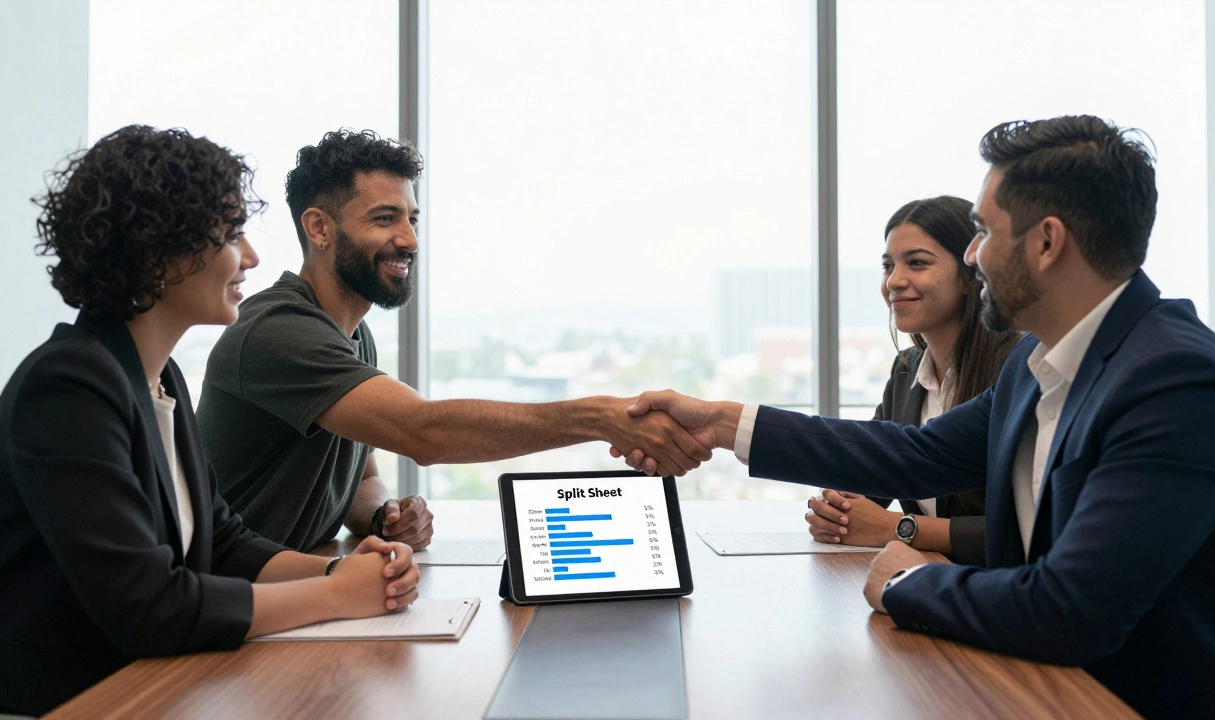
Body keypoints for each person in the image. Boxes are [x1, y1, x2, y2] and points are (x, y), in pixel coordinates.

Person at [617, 116, 1215, 718]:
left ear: (1047, 243)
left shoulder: (1176, 382)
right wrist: (723, 423)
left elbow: (1069, 611)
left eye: (986, 232)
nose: (972, 254)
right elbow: (915, 455)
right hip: (1043, 690)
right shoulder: (1035, 366)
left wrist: (907, 580)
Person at [0, 126, 421, 717]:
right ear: (156, 253)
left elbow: (222, 542)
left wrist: (340, 568)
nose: (249, 257)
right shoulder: (67, 386)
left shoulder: (158, 375)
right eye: (229, 235)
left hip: (158, 686)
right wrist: (332, 594)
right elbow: (151, 606)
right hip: (77, 702)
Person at [197, 129, 710, 552]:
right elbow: (423, 432)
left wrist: (384, 515)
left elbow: (358, 478)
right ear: (319, 228)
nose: (410, 240)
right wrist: (598, 418)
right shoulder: (279, 331)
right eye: (384, 218)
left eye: (412, 219)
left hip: (288, 592)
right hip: (230, 606)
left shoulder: (352, 335)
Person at [803, 196, 1018, 565]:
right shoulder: (906, 371)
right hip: (929, 582)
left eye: (916, 263)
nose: (894, 281)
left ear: (970, 275)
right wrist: (837, 511)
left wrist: (898, 527)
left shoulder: (1019, 369)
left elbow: (1030, 531)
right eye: (888, 266)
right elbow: (872, 474)